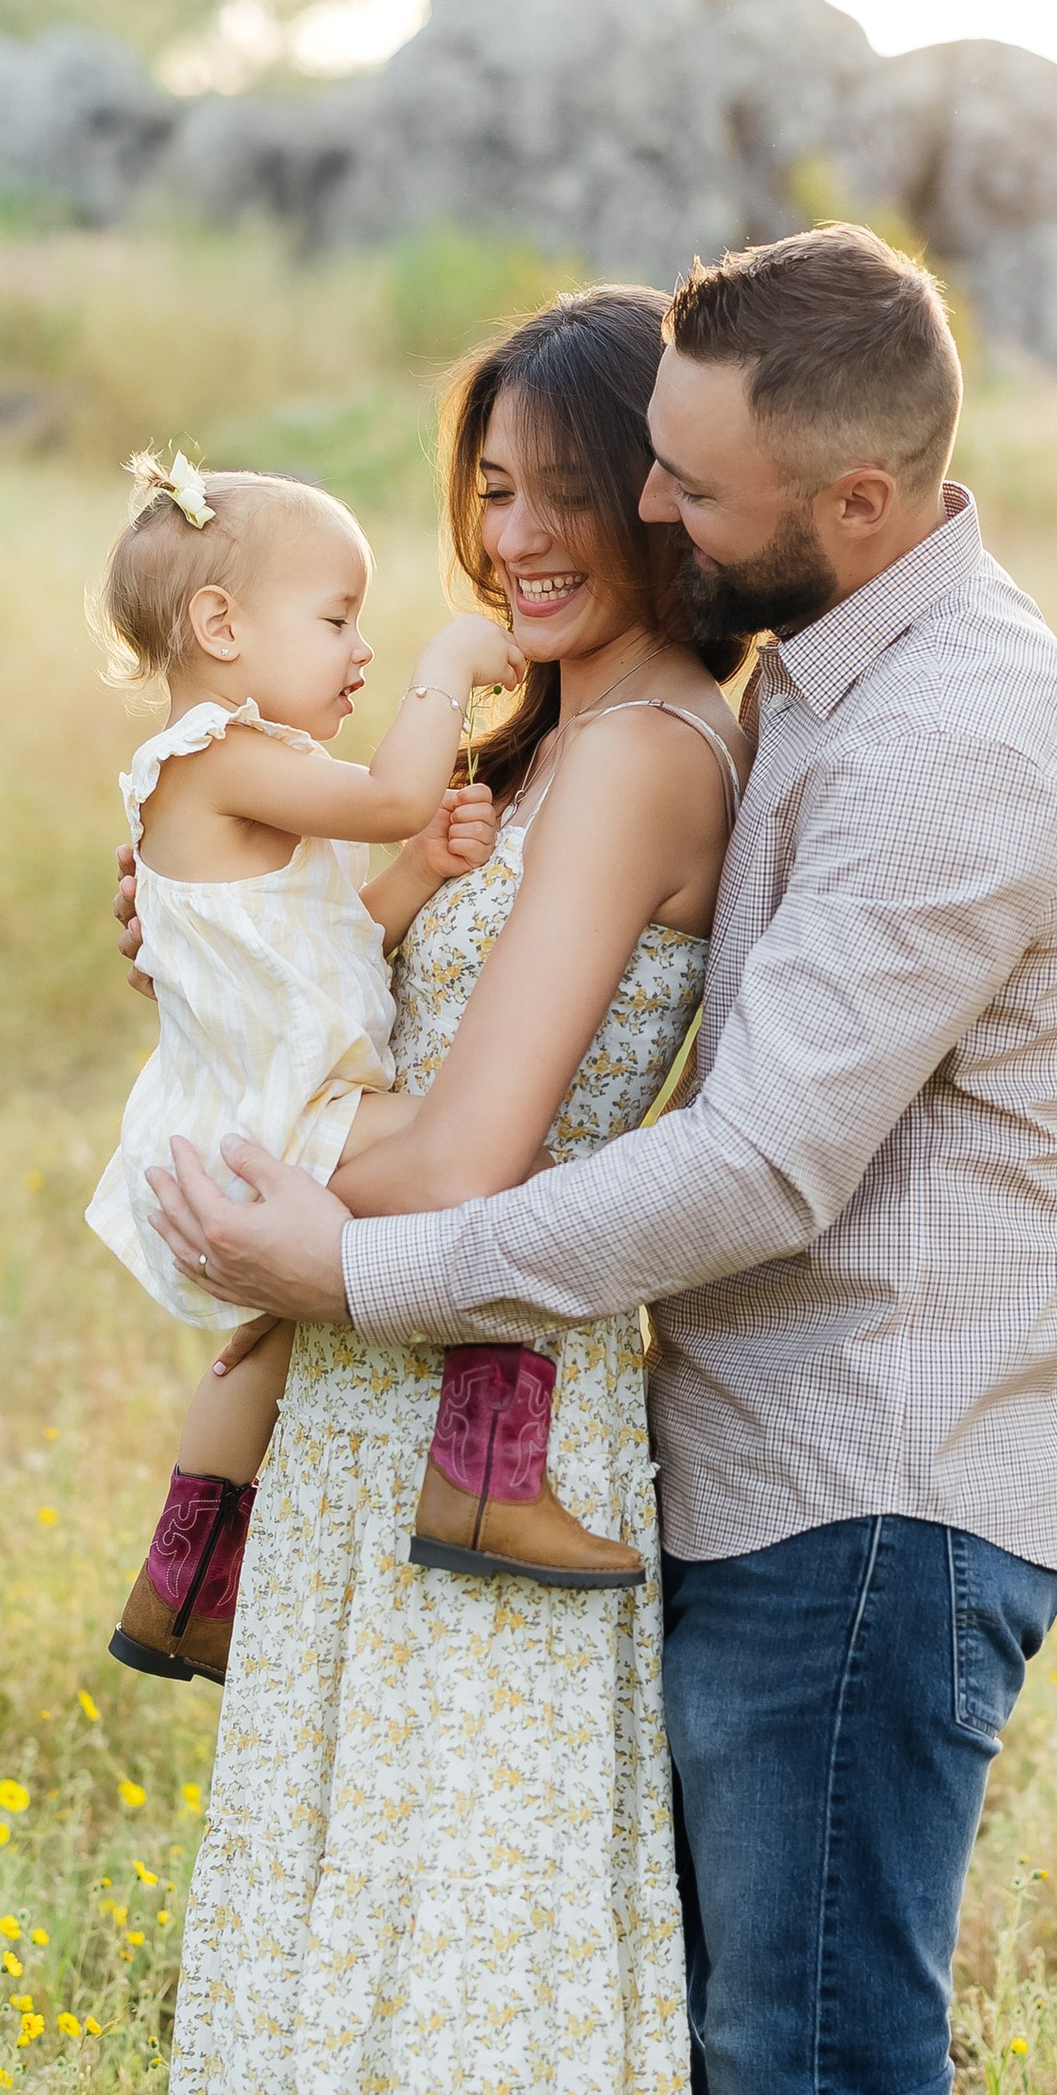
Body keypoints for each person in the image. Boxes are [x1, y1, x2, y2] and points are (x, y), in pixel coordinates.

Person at [149, 220, 1057, 2095]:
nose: (648, 517)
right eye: (626, 470)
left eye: (676, 483)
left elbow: (762, 1162)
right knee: (612, 2054)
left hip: (873, 1489)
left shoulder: (964, 733)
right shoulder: (797, 670)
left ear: (858, 496)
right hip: (709, 1460)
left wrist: (366, 1254)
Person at [142, 291, 750, 2095]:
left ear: (661, 501)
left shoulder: (646, 756)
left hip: (485, 1393)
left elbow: (478, 1143)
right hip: (376, 1400)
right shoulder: (531, 741)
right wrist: (225, 943)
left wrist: (256, 1196)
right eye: (483, 488)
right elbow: (330, 999)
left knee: (487, 2001)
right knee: (397, 1985)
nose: (511, 536)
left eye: (561, 490)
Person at [88, 452, 646, 1691]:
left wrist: (424, 873)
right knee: (497, 1166)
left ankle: (183, 1591)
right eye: (337, 619)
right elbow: (396, 791)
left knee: (267, 1344)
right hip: (281, 1117)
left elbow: (337, 943)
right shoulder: (217, 754)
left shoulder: (240, 776)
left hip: (254, 1115)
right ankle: (485, 1479)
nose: (362, 650)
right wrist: (446, 670)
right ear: (220, 626)